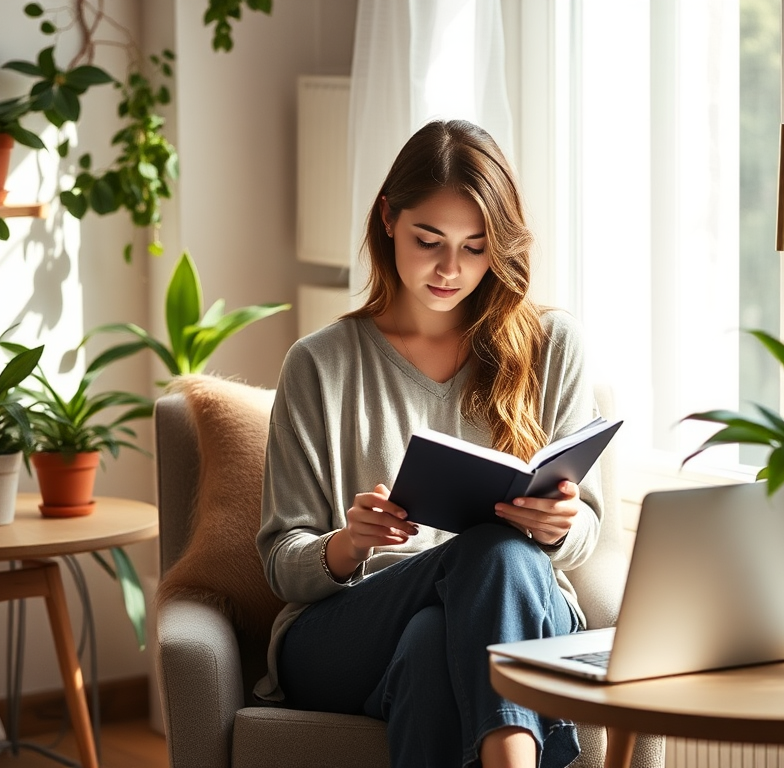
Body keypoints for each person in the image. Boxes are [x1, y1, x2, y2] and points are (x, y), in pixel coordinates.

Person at [255, 119, 603, 768]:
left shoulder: (554, 347)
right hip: (348, 629)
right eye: (429, 240)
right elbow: (280, 559)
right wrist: (348, 543)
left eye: (476, 247)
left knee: (437, 636)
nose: (451, 269)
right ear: (388, 218)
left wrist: (559, 524)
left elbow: (587, 528)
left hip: (518, 615)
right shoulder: (319, 364)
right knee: (484, 560)